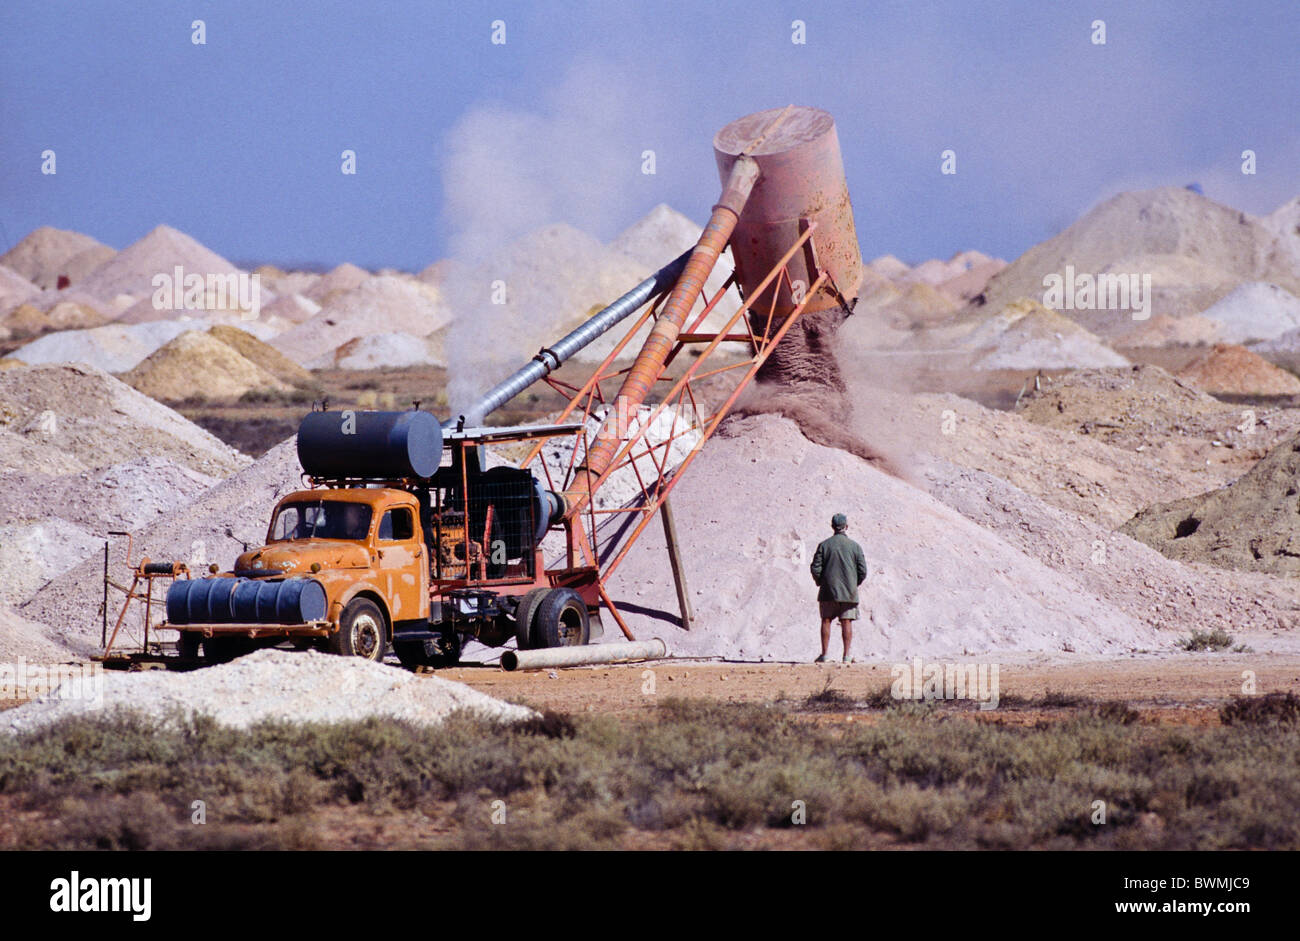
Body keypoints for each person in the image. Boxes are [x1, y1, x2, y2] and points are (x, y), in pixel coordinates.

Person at [809, 512, 868, 663]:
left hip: (828, 591)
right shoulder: (855, 546)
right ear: (846, 527)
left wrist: (821, 582)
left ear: (832, 527)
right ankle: (847, 656)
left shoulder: (824, 545)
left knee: (826, 620)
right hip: (849, 592)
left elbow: (815, 568)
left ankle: (825, 654)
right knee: (846, 621)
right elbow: (863, 571)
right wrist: (853, 584)